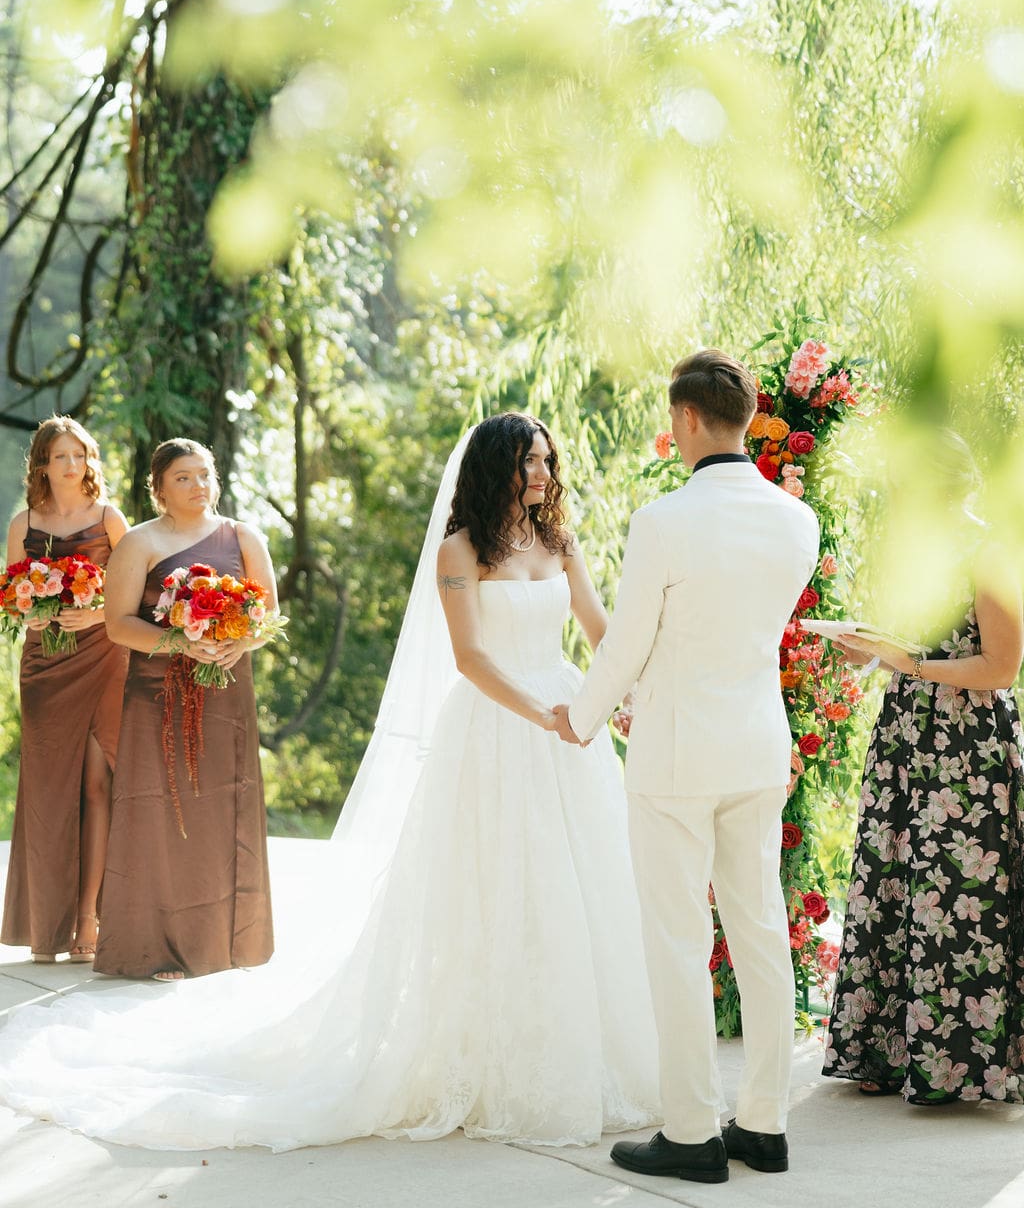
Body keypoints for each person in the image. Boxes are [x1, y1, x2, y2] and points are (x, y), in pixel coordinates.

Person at [0, 414, 659, 1150]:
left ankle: (571, 1046)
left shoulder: (561, 544)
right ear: (492, 468)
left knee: (577, 887)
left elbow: (601, 630)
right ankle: (481, 1056)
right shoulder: (459, 551)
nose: (539, 475)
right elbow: (470, 658)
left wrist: (619, 696)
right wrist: (545, 712)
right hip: (502, 726)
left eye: (545, 461)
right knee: (494, 887)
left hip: (569, 725)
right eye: (525, 462)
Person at [557, 350, 820, 1185]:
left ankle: (692, 1134)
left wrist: (584, 716)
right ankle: (766, 1126)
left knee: (677, 939)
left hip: (675, 753)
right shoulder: (796, 520)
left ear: (687, 420)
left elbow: (629, 642)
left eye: (671, 423)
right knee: (760, 930)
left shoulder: (663, 520)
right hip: (756, 747)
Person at [822, 432, 1024, 1105]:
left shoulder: (990, 553)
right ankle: (889, 1053)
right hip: (908, 741)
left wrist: (911, 665)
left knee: (959, 901)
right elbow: (913, 647)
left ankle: (959, 1067)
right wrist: (872, 650)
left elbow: (1000, 667)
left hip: (966, 752)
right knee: (898, 888)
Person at [92, 437, 277, 980]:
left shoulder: (245, 537)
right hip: (157, 697)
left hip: (226, 691)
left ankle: (225, 944)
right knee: (161, 811)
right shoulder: (139, 544)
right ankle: (161, 946)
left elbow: (267, 616)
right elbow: (118, 624)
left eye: (205, 475)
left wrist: (237, 642)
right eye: (184, 478)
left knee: (223, 807)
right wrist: (181, 643)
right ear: (158, 488)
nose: (199, 486)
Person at [1, 417, 129, 964]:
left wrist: (97, 611)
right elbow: (10, 595)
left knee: (99, 785)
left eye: (80, 455)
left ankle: (88, 920)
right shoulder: (23, 522)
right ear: (42, 465)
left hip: (105, 660)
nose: (72, 465)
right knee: (49, 794)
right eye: (60, 456)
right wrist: (35, 608)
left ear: (90, 460)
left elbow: (137, 592)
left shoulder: (110, 518)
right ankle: (45, 928)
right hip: (46, 666)